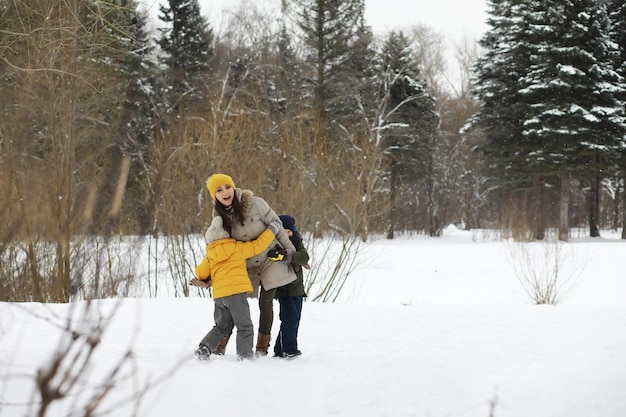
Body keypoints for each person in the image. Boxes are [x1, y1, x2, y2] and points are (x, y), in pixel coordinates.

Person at [205, 173, 297, 356]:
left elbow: (276, 224)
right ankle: (219, 345)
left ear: (233, 187)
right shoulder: (221, 219)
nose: (225, 192)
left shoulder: (255, 203)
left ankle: (262, 348)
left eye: (227, 187)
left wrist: (290, 253)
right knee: (234, 304)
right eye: (219, 190)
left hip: (270, 258)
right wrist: (208, 276)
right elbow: (220, 249)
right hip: (247, 265)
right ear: (214, 196)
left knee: (266, 301)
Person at [190, 215, 283, 360]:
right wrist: (273, 229)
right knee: (244, 326)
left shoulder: (211, 255)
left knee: (221, 327)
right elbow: (258, 245)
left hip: (220, 296)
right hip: (236, 294)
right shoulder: (237, 247)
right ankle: (245, 357)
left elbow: (200, 273)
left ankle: (205, 348)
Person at [270, 214, 310, 358]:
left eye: (290, 231)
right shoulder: (274, 243)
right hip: (283, 289)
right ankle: (289, 348)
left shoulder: (297, 242)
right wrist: (279, 255)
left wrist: (289, 255)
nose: (287, 234)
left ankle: (279, 349)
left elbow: (304, 257)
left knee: (294, 319)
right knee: (289, 318)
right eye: (284, 231)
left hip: (297, 289)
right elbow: (271, 256)